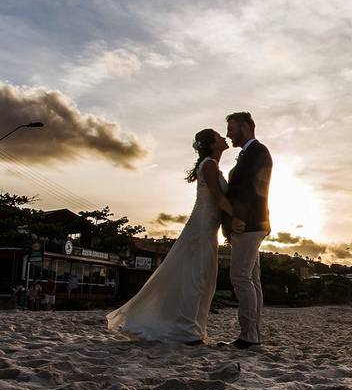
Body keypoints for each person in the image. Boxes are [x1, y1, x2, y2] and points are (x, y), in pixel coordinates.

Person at [107, 129, 232, 344]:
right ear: (212, 144)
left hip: (209, 228)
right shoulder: (209, 164)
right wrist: (239, 216)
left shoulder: (212, 165)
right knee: (197, 278)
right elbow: (218, 197)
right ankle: (187, 330)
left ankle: (192, 328)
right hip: (202, 227)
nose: (224, 137)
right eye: (219, 136)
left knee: (203, 277)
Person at [219, 112, 272, 350]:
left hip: (249, 223)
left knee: (240, 277)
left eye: (231, 128)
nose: (228, 134)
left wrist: (237, 218)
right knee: (252, 279)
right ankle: (252, 335)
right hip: (254, 223)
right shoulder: (249, 153)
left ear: (246, 127)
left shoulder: (257, 152)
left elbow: (251, 189)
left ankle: (249, 336)